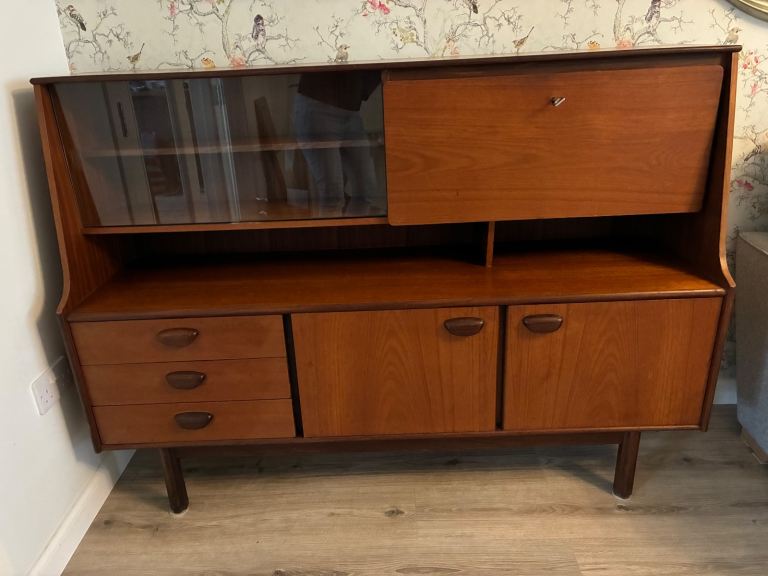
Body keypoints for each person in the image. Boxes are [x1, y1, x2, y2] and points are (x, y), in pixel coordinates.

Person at [292, 71, 382, 216]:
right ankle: (332, 236)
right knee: (332, 195)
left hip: (350, 109)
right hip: (319, 104)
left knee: (366, 190)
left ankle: (354, 237)